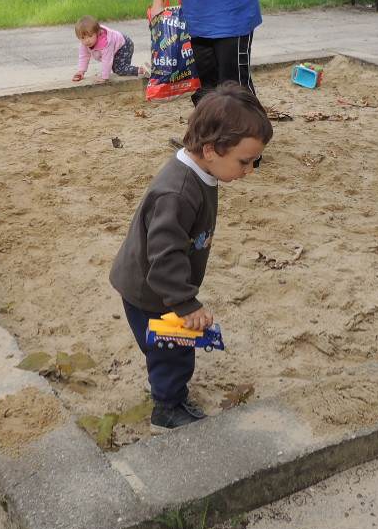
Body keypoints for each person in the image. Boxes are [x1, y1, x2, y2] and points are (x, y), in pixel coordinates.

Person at [109, 83, 273, 432]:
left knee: (164, 347)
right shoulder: (179, 192)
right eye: (245, 161)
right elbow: (164, 254)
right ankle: (166, 410)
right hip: (153, 289)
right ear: (211, 150)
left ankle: (162, 383)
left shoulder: (202, 170)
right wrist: (186, 303)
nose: (250, 170)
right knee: (174, 349)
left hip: (158, 283)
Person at [71, 15, 149, 84]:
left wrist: (104, 77)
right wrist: (81, 71)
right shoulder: (84, 44)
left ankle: (142, 70)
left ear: (97, 33)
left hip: (124, 45)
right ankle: (140, 69)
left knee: (120, 69)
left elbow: (107, 60)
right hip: (116, 46)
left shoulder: (105, 43)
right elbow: (84, 57)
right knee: (115, 67)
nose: (87, 40)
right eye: (83, 38)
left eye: (90, 36)